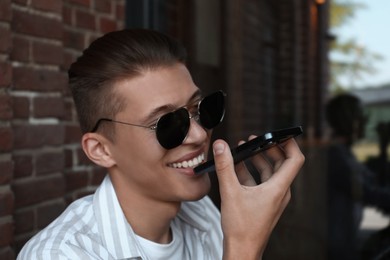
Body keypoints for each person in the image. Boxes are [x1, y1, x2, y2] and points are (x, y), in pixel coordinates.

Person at [17, 29, 305, 260]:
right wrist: (245, 246)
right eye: (167, 124)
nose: (199, 135)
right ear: (101, 150)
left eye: (200, 109)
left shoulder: (202, 213)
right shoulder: (61, 254)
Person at [325, 94, 390, 260]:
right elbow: (367, 192)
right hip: (337, 247)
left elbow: (372, 178)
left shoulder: (344, 153)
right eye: (361, 117)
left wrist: (383, 146)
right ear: (349, 121)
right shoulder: (335, 155)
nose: (365, 122)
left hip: (345, 241)